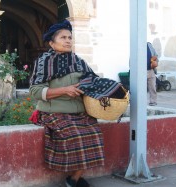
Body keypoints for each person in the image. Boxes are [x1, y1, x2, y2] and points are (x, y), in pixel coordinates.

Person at [29, 19, 123, 187]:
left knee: (95, 134)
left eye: (70, 37)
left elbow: (93, 81)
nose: (68, 41)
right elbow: (35, 91)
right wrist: (65, 90)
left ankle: (73, 179)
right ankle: (73, 180)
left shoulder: (78, 61)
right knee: (76, 135)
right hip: (54, 112)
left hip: (79, 112)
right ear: (51, 43)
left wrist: (112, 88)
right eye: (63, 37)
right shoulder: (44, 63)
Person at [147, 42, 159, 106]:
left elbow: (156, 55)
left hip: (150, 70)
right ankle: (138, 102)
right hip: (140, 71)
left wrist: (155, 62)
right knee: (140, 88)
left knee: (152, 87)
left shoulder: (149, 45)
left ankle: (153, 101)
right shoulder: (136, 46)